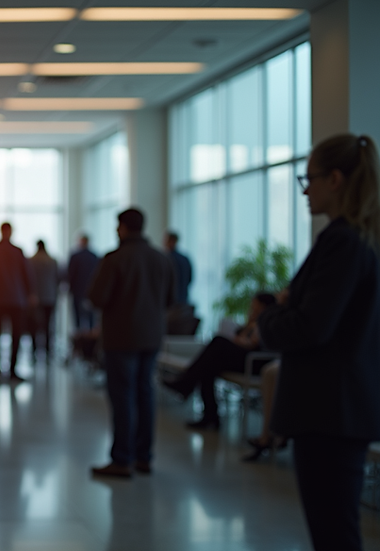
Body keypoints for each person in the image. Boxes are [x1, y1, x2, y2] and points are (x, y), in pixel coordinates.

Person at [258, 133, 380, 551]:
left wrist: (269, 315)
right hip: (342, 406)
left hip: (328, 410)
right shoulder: (363, 239)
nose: (305, 190)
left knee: (334, 534)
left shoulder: (342, 241)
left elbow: (310, 326)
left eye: (308, 179)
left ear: (335, 180)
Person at [88, 208, 175, 478]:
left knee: (122, 396)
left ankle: (122, 459)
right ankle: (143, 457)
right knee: (145, 393)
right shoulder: (161, 259)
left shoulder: (114, 259)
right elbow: (171, 299)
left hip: (121, 337)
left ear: (123, 228)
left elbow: (97, 297)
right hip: (151, 336)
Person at [162, 293, 277, 429]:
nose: (252, 307)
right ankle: (209, 415)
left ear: (263, 306)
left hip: (255, 362)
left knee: (218, 342)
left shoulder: (268, 322)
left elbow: (252, 343)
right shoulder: (253, 321)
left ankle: (186, 385)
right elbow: (240, 336)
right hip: (245, 359)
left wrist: (248, 331)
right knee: (208, 368)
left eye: (255, 305)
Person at [0, 222, 35, 382]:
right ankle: (12, 370)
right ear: (11, 232)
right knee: (15, 335)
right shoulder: (18, 251)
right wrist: (30, 294)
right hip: (16, 300)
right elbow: (26, 275)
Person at [29, 240, 60, 361]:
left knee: (34, 325)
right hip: (50, 296)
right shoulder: (52, 261)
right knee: (48, 324)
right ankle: (47, 349)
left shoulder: (31, 261)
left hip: (35, 298)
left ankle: (34, 349)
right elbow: (58, 278)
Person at [67, 233, 99, 332]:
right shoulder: (94, 256)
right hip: (91, 290)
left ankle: (79, 336)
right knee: (90, 316)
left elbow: (71, 274)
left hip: (78, 289)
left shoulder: (75, 256)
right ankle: (90, 337)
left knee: (77, 316)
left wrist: (70, 288)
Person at [164, 230, 193, 306]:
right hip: (183, 300)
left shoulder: (165, 259)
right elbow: (190, 279)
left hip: (169, 303)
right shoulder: (185, 259)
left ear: (171, 241)